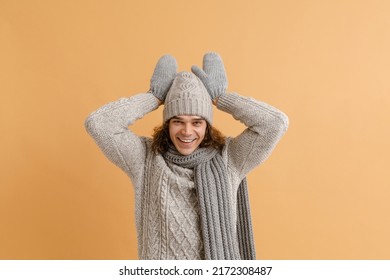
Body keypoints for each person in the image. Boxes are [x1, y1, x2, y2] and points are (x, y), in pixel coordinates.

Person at [85, 52, 289, 260]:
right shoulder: (145, 159)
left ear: (207, 126)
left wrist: (221, 98)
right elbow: (99, 124)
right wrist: (153, 98)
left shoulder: (230, 159)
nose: (187, 131)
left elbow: (275, 124)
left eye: (197, 122)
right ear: (167, 124)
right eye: (178, 121)